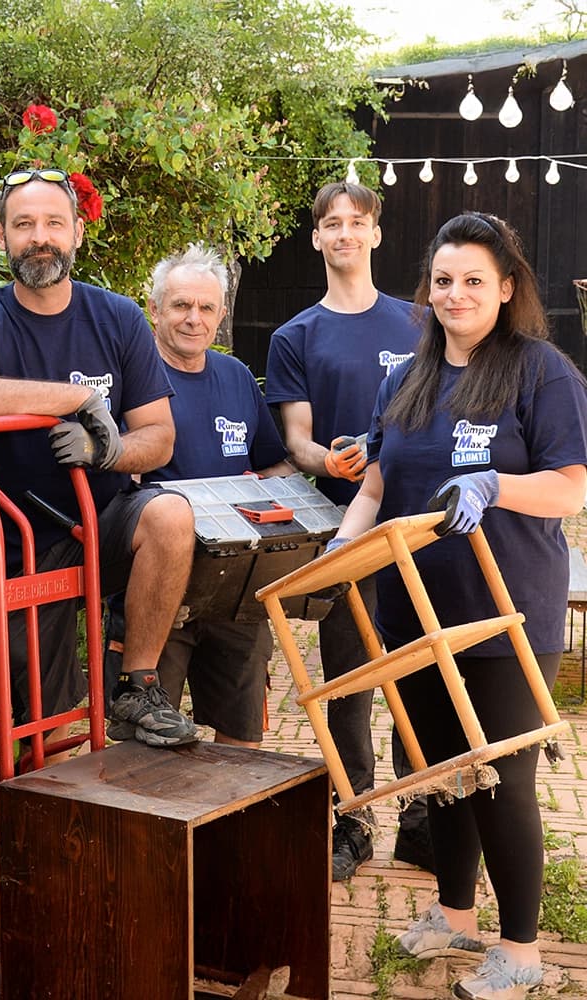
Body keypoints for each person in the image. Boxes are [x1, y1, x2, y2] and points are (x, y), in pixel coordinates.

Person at [329, 211, 587, 999]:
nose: (456, 293)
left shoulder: (542, 372)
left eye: (475, 280)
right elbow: (375, 482)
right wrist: (339, 559)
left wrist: (495, 484)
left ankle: (521, 950)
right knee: (440, 772)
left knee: (500, 780)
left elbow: (572, 486)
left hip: (505, 615)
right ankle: (455, 915)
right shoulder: (404, 376)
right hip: (415, 609)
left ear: (506, 290)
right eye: (443, 279)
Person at [0, 167, 198, 749]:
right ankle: (55, 812)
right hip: (26, 541)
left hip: (106, 523)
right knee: (46, 735)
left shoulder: (118, 318)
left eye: (54, 222)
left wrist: (107, 450)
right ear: (3, 236)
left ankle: (137, 685)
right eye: (24, 224)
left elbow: (158, 437)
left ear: (78, 233)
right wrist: (78, 399)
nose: (40, 237)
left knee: (170, 514)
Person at [265, 180, 427, 880]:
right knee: (351, 681)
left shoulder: (422, 322)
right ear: (317, 238)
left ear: (375, 235)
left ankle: (424, 813)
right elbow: (296, 438)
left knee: (419, 671)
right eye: (331, 223)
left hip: (419, 525)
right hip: (345, 528)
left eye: (356, 222)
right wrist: (324, 457)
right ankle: (350, 817)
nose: (344, 234)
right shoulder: (294, 336)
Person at [127, 244, 295, 747]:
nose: (193, 319)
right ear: (154, 309)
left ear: (221, 313)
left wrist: (263, 493)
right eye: (180, 305)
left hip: (235, 592)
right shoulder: (131, 381)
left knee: (241, 738)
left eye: (206, 308)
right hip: (159, 594)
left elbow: (276, 462)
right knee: (147, 745)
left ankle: (226, 828)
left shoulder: (237, 377)